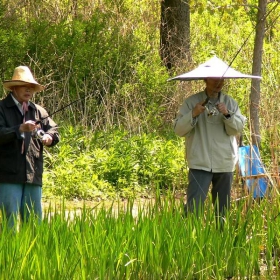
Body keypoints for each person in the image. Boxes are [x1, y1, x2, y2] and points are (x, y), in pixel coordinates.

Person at [174, 77, 246, 217]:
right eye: (214, 80)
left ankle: (221, 236)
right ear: (206, 80)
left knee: (222, 211)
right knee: (193, 209)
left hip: (224, 162)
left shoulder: (230, 103)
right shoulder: (191, 102)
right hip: (200, 162)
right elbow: (178, 130)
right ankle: (189, 237)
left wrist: (227, 114)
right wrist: (193, 114)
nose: (219, 83)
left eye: (221, 80)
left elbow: (237, 129)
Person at [0, 66, 59, 228]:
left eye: (31, 87)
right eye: (24, 86)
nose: (29, 90)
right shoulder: (2, 109)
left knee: (34, 224)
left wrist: (49, 137)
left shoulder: (38, 110)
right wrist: (19, 129)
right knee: (9, 223)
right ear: (14, 87)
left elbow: (54, 130)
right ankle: (10, 253)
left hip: (33, 174)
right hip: (8, 175)